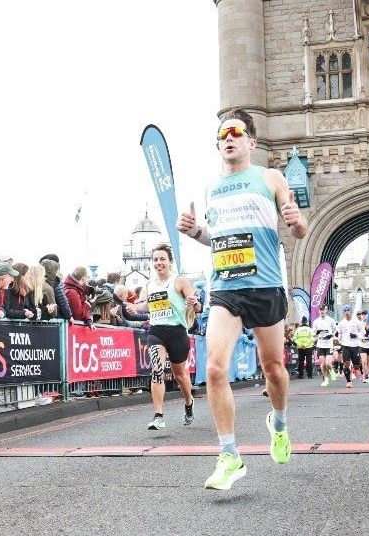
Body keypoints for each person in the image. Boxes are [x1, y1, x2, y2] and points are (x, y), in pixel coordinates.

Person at [176, 107, 308, 490]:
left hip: (265, 286)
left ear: (251, 141)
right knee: (215, 368)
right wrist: (196, 232)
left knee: (274, 371)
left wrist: (297, 222)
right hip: (226, 290)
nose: (228, 138)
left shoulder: (269, 177)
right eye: (222, 135)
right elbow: (216, 240)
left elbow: (299, 230)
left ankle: (279, 424)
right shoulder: (212, 189)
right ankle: (230, 455)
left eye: (235, 132)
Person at [130, 244, 200, 431]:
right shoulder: (149, 284)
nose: (158, 263)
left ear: (170, 262)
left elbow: (196, 305)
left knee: (180, 376)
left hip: (177, 332)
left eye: (162, 259)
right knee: (157, 369)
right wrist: (135, 308)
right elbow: (146, 305)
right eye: (155, 260)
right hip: (156, 332)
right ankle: (159, 416)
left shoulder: (179, 281)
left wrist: (194, 302)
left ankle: (188, 401)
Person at [336, 305, 363, 388]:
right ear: (343, 312)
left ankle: (358, 366)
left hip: (355, 345)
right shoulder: (341, 323)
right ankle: (348, 381)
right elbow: (338, 333)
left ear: (351, 311)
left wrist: (356, 335)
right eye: (345, 311)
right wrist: (337, 338)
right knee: (346, 363)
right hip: (346, 345)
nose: (346, 312)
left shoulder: (356, 321)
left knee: (356, 366)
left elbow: (363, 331)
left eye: (348, 310)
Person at [63, 266, 97, 330]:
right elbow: (78, 315)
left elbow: (81, 309)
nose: (89, 279)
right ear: (83, 277)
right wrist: (89, 303)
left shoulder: (78, 290)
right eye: (88, 276)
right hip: (71, 329)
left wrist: (88, 321)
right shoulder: (72, 292)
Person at [40, 258, 73, 323]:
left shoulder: (40, 284)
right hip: (50, 322)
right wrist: (69, 316)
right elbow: (62, 301)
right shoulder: (49, 287)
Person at [312, 305, 338, 386]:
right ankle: (326, 380)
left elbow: (335, 329)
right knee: (322, 364)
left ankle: (332, 370)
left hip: (329, 344)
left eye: (323, 310)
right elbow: (314, 334)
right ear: (319, 311)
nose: (322, 311)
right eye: (320, 310)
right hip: (320, 345)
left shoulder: (330, 320)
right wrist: (315, 337)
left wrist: (331, 335)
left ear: (326, 310)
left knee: (328, 364)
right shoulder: (316, 321)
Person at [356, 310, 369, 383]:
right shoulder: (358, 324)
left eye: (365, 314)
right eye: (362, 314)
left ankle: (368, 371)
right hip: (362, 344)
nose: (363, 316)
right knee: (364, 361)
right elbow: (356, 332)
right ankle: (366, 376)